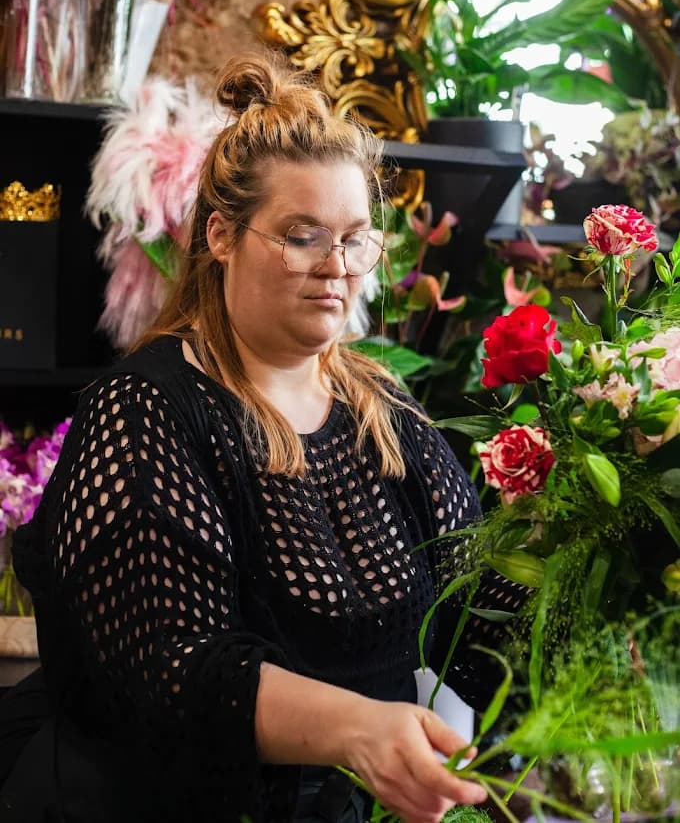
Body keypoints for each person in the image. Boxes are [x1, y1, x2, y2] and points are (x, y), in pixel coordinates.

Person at [2, 53, 523, 823]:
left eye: (354, 238)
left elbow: (480, 601)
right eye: (303, 236)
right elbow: (177, 667)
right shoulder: (146, 411)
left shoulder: (386, 411)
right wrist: (356, 730)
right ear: (221, 235)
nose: (337, 268)